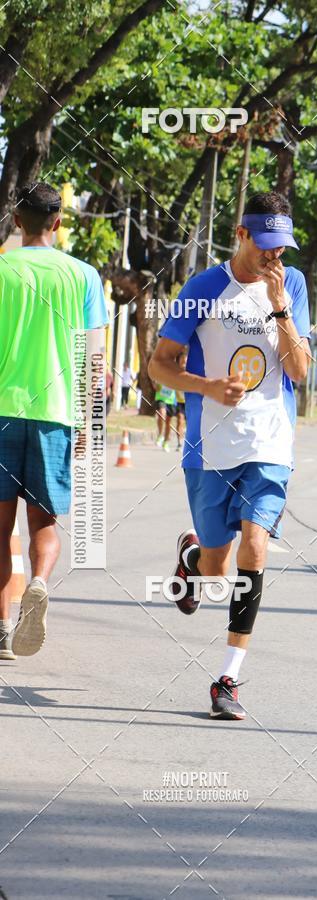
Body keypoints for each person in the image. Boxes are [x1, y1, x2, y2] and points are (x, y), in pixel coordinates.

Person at [149, 190, 310, 719]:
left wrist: (281, 307)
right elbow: (159, 366)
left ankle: (228, 681)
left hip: (269, 443)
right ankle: (193, 555)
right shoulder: (202, 289)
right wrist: (206, 387)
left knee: (256, 548)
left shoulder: (293, 286)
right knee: (217, 570)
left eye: (281, 247)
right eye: (264, 246)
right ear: (240, 235)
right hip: (209, 447)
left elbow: (300, 371)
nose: (273, 257)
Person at [0, 182, 108, 660]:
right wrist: (88, 422)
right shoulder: (83, 276)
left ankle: (1, 629)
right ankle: (39, 582)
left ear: (17, 222)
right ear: (58, 222)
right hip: (56, 414)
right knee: (44, 524)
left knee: (0, 529)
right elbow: (94, 358)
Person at [155, 383, 177, 451]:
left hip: (171, 400)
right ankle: (160, 435)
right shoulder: (161, 372)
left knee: (168, 422)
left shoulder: (175, 374)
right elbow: (153, 377)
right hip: (161, 397)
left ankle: (166, 441)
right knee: (161, 414)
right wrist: (154, 383)